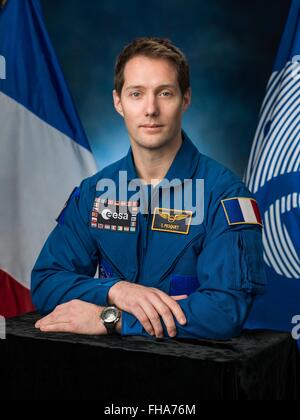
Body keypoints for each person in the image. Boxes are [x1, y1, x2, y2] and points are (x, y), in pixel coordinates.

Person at [31, 37, 266, 340]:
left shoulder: (225, 195)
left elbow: (224, 311)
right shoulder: (96, 193)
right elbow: (46, 282)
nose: (151, 109)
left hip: (192, 378)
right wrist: (115, 290)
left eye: (165, 93)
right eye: (136, 94)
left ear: (185, 99)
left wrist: (113, 318)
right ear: (119, 102)